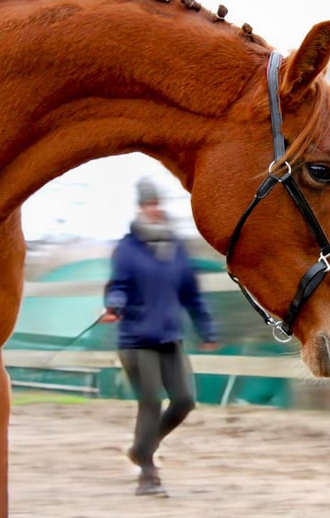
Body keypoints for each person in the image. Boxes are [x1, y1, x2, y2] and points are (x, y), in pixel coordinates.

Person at [102, 177, 220, 497]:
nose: (154, 208)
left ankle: (142, 449)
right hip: (136, 338)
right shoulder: (127, 249)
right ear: (141, 207)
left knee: (184, 400)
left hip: (170, 336)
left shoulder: (176, 248)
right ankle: (147, 474)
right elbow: (119, 287)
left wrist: (206, 328)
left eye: (156, 203)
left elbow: (191, 294)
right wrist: (115, 305)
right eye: (148, 204)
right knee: (151, 400)